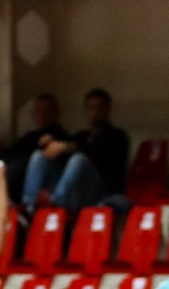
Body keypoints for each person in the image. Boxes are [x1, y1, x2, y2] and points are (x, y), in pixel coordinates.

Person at [22, 88, 128, 217]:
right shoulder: (81, 136)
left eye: (100, 108)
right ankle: (29, 206)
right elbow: (63, 157)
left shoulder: (118, 136)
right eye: (91, 108)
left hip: (101, 194)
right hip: (74, 193)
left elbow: (95, 149)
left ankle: (56, 202)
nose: (95, 112)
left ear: (108, 110)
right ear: (85, 111)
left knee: (79, 159)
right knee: (39, 156)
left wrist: (66, 146)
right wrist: (50, 143)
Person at [1, 94, 67, 200]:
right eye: (38, 110)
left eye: (47, 111)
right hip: (13, 183)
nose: (42, 115)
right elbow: (10, 152)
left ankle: (28, 203)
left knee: (37, 157)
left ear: (56, 113)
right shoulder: (30, 137)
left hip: (43, 189)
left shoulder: (61, 137)